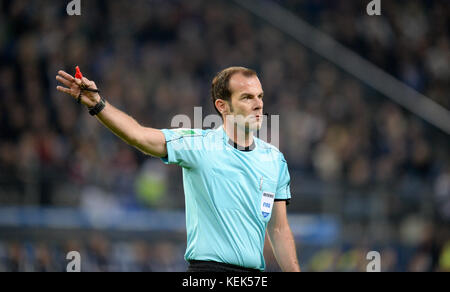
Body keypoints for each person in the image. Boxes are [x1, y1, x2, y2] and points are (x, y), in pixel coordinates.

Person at [56, 66, 301, 272]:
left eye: (260, 96)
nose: (258, 104)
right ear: (222, 106)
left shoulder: (275, 160)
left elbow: (279, 229)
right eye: (247, 97)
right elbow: (138, 135)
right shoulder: (198, 145)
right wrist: (97, 104)